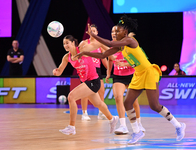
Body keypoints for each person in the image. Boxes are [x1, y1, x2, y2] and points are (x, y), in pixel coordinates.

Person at [75, 15, 186, 144]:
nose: (115, 33)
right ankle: (137, 132)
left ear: (125, 32)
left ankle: (178, 126)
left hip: (149, 72)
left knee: (154, 105)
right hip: (138, 74)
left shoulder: (130, 41)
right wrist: (84, 53)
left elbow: (110, 43)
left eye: (118, 30)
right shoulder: (121, 46)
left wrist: (94, 36)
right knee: (127, 103)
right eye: (114, 31)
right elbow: (103, 54)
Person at [53, 35, 118, 135]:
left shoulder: (83, 49)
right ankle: (112, 119)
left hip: (94, 81)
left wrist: (111, 54)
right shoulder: (67, 57)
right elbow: (59, 71)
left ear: (73, 43)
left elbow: (100, 43)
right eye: (64, 44)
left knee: (71, 97)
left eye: (67, 43)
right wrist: (56, 72)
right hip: (86, 82)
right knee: (98, 104)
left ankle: (71, 127)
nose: (65, 45)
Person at [106, 26, 145, 135]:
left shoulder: (128, 46)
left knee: (134, 101)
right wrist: (108, 73)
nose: (114, 33)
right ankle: (123, 126)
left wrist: (124, 63)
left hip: (132, 75)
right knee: (118, 97)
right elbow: (109, 60)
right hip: (118, 76)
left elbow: (137, 62)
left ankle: (138, 123)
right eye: (112, 31)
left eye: (116, 32)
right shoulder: (111, 49)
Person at [78, 24, 108, 121]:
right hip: (86, 70)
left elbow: (103, 58)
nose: (93, 32)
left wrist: (109, 70)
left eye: (94, 31)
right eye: (91, 31)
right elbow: (78, 55)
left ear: (97, 32)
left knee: (101, 90)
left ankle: (101, 113)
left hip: (97, 70)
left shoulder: (100, 44)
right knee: (85, 93)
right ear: (88, 32)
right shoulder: (84, 43)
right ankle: (84, 113)